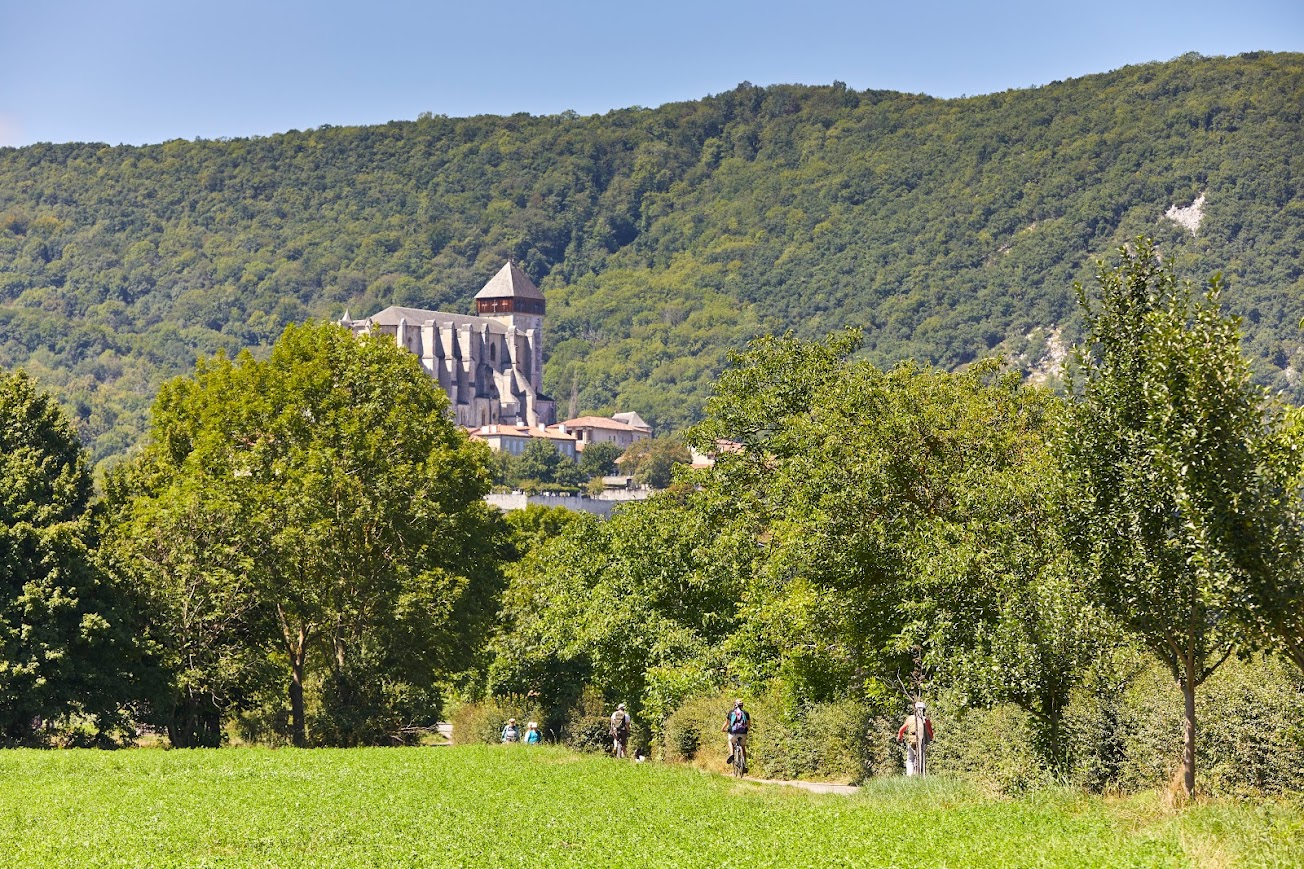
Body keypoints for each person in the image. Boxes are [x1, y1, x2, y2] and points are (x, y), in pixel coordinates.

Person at [896, 701, 934, 775]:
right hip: (922, 741)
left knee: (910, 759)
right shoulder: (926, 720)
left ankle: (909, 776)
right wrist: (931, 738)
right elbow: (930, 731)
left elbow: (901, 729)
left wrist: (899, 737)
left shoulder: (910, 718)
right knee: (920, 758)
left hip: (911, 741)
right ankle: (919, 775)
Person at [722, 699, 750, 770]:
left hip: (733, 733)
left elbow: (727, 723)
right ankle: (744, 765)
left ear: (735, 705)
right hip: (743, 733)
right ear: (742, 706)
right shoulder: (746, 713)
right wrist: (746, 730)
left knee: (730, 741)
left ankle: (731, 754)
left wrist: (723, 729)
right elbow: (748, 725)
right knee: (743, 747)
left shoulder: (731, 713)